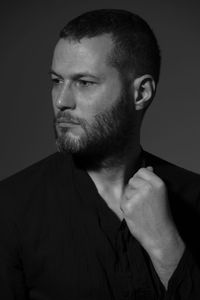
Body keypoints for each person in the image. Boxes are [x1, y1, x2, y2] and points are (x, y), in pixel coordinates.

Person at [0, 8, 200, 300]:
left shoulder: (195, 198)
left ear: (141, 93)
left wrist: (166, 247)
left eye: (84, 83)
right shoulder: (10, 208)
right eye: (57, 81)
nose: (61, 100)